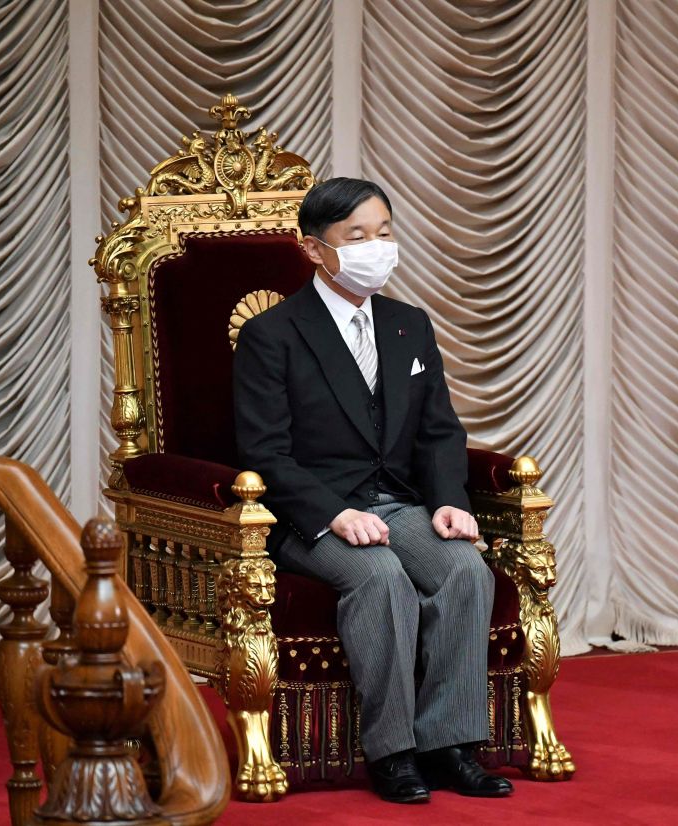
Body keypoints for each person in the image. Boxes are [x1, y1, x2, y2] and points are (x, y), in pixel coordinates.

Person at [232, 177, 513, 804]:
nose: (375, 247)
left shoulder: (409, 325)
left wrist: (448, 500)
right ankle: (393, 752)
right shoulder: (273, 334)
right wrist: (334, 514)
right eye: (356, 236)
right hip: (312, 515)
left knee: (466, 569)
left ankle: (451, 746)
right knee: (381, 575)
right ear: (313, 249)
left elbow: (440, 430)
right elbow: (264, 453)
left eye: (383, 233)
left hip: (401, 503)